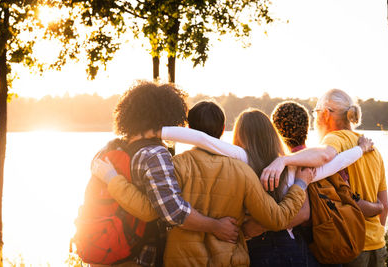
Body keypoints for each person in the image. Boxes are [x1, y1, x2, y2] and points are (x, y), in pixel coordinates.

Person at [92, 100, 312, 267]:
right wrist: (300, 185)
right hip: (229, 259)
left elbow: (149, 210)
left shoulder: (175, 166)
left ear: (188, 127)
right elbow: (276, 218)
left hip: (182, 260)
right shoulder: (242, 171)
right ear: (224, 127)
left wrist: (112, 179)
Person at [90, 82, 241, 267]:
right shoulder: (155, 154)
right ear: (167, 115)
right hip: (137, 256)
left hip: (103, 249)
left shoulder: (110, 148)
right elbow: (174, 212)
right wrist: (216, 227)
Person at [312, 89, 388, 267]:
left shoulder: (333, 139)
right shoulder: (373, 149)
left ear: (325, 114)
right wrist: (376, 236)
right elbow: (384, 204)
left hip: (350, 244)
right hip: (377, 245)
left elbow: (323, 159)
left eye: (316, 112)